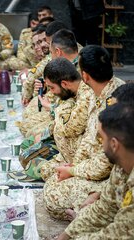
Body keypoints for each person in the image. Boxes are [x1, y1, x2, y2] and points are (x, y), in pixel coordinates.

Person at [43, 45, 124, 221]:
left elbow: (105, 164)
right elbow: (89, 138)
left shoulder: (116, 101)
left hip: (114, 178)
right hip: (94, 167)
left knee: (52, 196)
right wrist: (73, 167)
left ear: (85, 75)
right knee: (52, 178)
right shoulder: (101, 92)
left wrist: (73, 170)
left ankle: (92, 214)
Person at [57, 102, 134, 240]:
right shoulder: (121, 167)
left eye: (101, 139)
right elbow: (104, 209)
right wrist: (65, 236)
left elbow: (118, 235)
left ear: (114, 144)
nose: (100, 144)